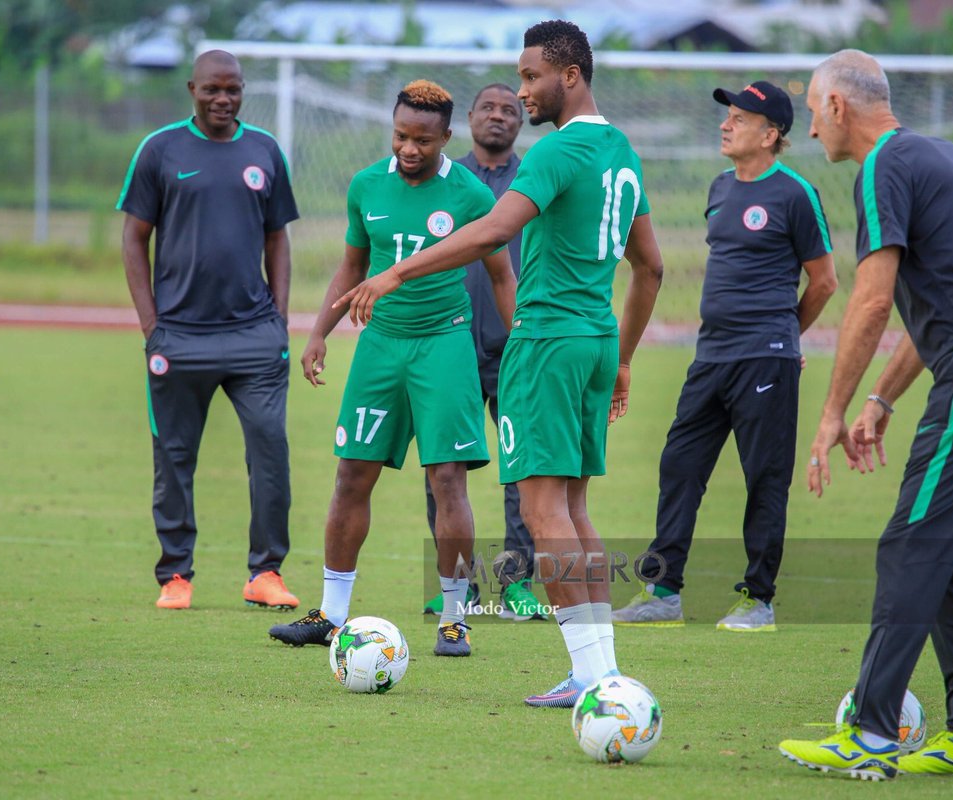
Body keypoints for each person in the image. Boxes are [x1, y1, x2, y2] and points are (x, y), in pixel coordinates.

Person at [336, 21, 665, 707]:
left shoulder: (557, 152)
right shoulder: (623, 152)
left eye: (530, 76)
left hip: (545, 341)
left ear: (569, 75)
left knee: (545, 513)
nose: (521, 91)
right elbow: (651, 268)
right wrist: (625, 359)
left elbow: (491, 231)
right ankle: (602, 669)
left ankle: (592, 678)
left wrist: (397, 273)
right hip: (597, 339)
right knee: (574, 508)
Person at [778, 49, 953, 780]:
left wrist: (831, 412)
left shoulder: (883, 168)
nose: (808, 128)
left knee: (912, 547)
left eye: (810, 108)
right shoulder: (936, 155)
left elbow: (871, 297)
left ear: (838, 107)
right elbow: (951, 304)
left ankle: (868, 733)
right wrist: (881, 398)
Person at [267, 80, 516, 657]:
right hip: (379, 346)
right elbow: (351, 265)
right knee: (352, 474)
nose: (409, 148)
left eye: (422, 140)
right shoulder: (366, 185)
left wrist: (520, 343)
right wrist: (317, 334)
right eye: (401, 136)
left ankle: (455, 616)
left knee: (448, 479)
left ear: (446, 138)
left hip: (445, 346)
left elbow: (502, 278)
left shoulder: (473, 196)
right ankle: (331, 615)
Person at [613, 81, 837, 631]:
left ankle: (758, 598)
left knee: (764, 477)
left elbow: (826, 281)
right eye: (727, 115)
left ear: (771, 133)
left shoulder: (794, 194)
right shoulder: (718, 187)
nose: (725, 124)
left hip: (765, 360)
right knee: (679, 464)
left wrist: (786, 337)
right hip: (709, 357)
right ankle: (663, 589)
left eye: (738, 117)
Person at [117, 50, 301, 611]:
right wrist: (152, 325)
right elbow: (133, 239)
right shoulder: (160, 149)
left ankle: (265, 573)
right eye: (212, 90)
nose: (223, 99)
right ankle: (176, 575)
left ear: (243, 91)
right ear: (192, 89)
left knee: (270, 451)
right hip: (180, 338)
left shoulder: (264, 150)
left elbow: (278, 240)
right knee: (174, 457)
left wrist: (279, 319)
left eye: (234, 90)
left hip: (254, 338)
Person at [420, 83, 545, 622]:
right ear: (468, 118)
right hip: (447, 343)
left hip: (513, 345)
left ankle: (516, 583)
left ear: (522, 123)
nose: (498, 116)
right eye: (488, 108)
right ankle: (460, 585)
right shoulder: (442, 178)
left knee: (522, 467)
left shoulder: (537, 178)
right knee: (444, 468)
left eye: (509, 110)